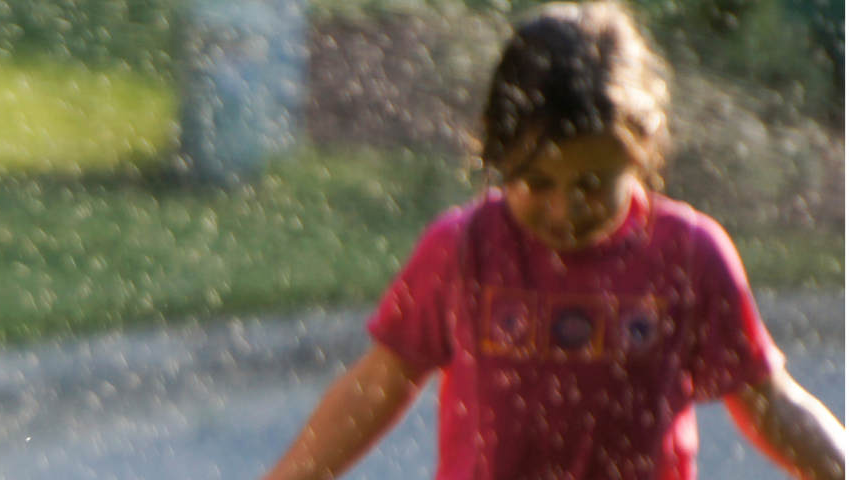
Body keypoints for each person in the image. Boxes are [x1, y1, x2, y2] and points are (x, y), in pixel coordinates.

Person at [256, 3, 846, 480]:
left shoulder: (687, 257)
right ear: (495, 155)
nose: (565, 209)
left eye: (593, 185)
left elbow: (771, 403)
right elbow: (379, 384)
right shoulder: (465, 250)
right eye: (537, 182)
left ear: (642, 151)